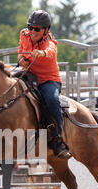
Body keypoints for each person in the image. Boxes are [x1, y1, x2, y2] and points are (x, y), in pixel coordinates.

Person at [18, 10, 70, 159]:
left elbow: (51, 51)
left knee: (52, 100)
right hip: (28, 75)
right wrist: (22, 59)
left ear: (46, 30)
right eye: (30, 27)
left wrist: (42, 53)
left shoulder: (50, 42)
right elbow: (21, 51)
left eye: (37, 29)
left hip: (48, 80)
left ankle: (58, 140)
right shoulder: (24, 34)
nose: (32, 31)